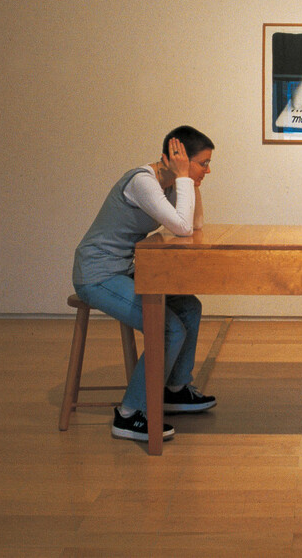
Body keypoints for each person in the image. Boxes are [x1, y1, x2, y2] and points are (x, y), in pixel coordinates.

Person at [72, 126, 217, 443]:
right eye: (203, 163)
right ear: (177, 158)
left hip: (124, 271)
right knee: (169, 329)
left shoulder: (170, 185)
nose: (208, 169)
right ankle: (128, 414)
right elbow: (180, 227)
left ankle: (174, 390)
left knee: (189, 307)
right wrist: (184, 178)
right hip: (98, 275)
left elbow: (194, 224)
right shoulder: (143, 182)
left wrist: (188, 180)